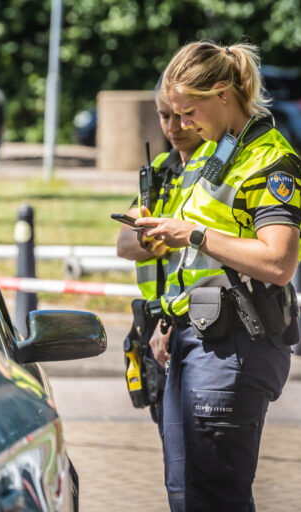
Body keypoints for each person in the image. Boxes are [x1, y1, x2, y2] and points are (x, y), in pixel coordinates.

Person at [136, 41, 301, 511]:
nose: (183, 124)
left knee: (215, 498)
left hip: (236, 342)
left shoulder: (271, 163)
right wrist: (171, 323)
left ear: (221, 94)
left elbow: (278, 263)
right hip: (193, 337)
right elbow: (202, 269)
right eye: (173, 114)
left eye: (189, 111)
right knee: (186, 492)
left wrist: (192, 234)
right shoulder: (218, 153)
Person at [116, 82, 207, 436]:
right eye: (164, 116)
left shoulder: (214, 169)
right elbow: (124, 244)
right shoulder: (160, 169)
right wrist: (149, 242)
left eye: (183, 116)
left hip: (192, 322)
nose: (173, 127)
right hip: (156, 321)